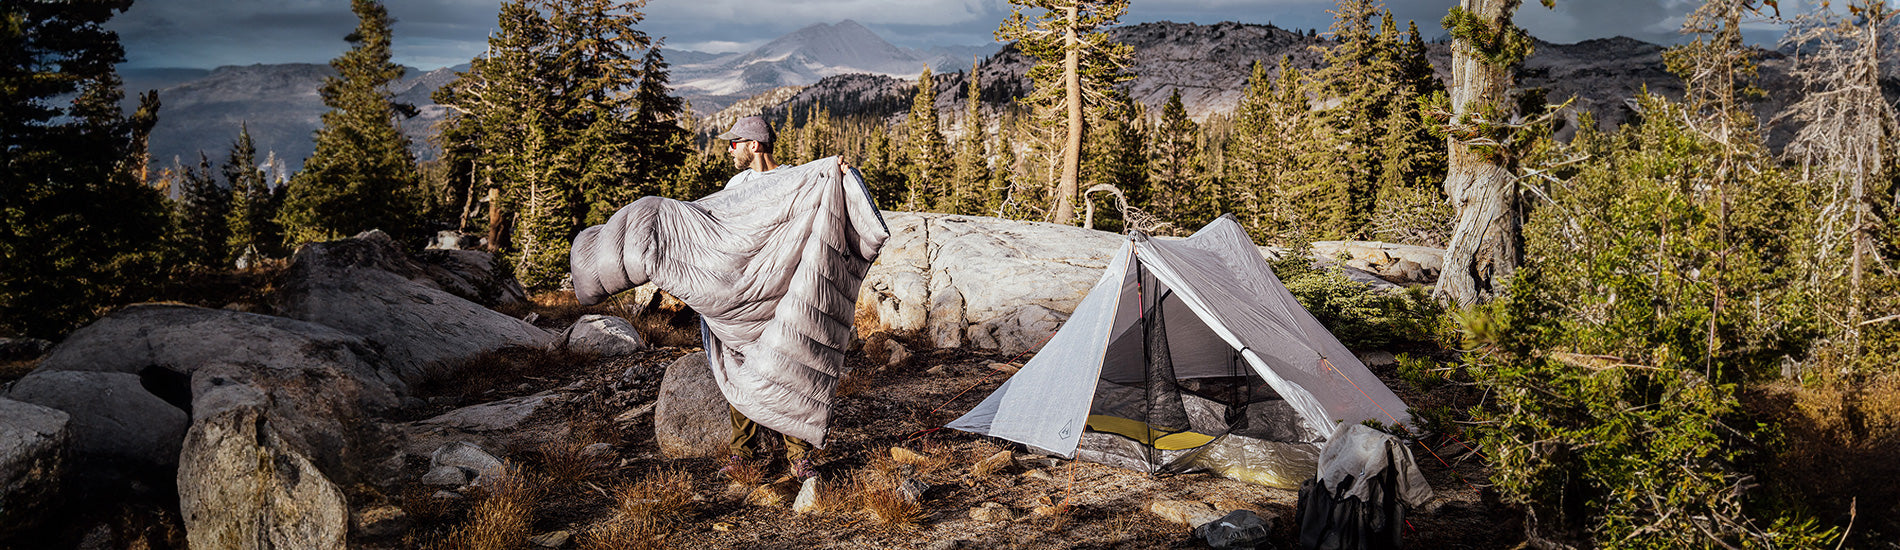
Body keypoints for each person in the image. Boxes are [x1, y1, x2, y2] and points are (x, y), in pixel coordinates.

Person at [712, 116, 848, 480]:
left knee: (788, 370)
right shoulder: (737, 184)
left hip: (784, 292)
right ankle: (744, 453)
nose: (730, 149)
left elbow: (821, 210)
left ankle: (799, 456)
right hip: (744, 294)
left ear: (753, 145)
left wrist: (836, 173)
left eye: (735, 142)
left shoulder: (795, 179)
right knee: (742, 368)